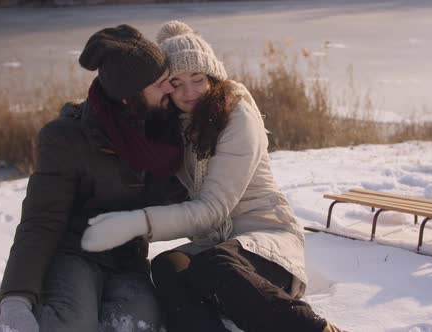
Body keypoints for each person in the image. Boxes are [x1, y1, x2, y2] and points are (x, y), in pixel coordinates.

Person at [81, 21, 343, 332]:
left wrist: (136, 224)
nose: (189, 92)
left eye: (197, 79)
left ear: (213, 76)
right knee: (168, 266)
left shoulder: (236, 114)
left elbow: (212, 209)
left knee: (212, 264)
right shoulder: (173, 125)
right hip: (219, 248)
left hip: (266, 245)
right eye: (177, 82)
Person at [0, 24, 187, 332]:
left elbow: (190, 198)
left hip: (127, 260)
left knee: (134, 325)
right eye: (160, 84)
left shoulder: (163, 130)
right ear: (129, 98)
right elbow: (41, 221)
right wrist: (16, 299)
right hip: (73, 253)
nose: (171, 89)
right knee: (69, 325)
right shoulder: (66, 138)